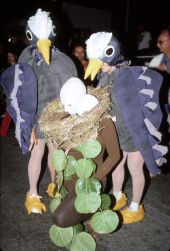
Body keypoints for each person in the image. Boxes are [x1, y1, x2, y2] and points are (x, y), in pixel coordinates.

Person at [84, 31, 168, 224]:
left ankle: (136, 207)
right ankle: (118, 194)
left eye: (103, 62)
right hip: (117, 132)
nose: (102, 67)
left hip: (134, 133)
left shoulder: (127, 74)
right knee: (117, 164)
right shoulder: (105, 76)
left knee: (135, 168)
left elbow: (139, 104)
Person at [1, 9, 77, 214]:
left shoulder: (63, 60)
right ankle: (32, 194)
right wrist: (27, 125)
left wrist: (67, 118)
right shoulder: (26, 57)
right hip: (35, 115)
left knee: (55, 153)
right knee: (37, 152)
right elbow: (21, 93)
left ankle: (55, 186)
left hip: (55, 116)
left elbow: (70, 90)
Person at [39, 77, 120, 227]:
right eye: (64, 104)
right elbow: (61, 152)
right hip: (70, 179)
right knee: (68, 215)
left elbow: (115, 156)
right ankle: (85, 214)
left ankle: (95, 208)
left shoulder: (103, 121)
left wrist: (91, 181)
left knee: (60, 219)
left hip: (92, 180)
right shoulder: (66, 120)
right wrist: (58, 176)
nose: (67, 109)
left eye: (69, 104)